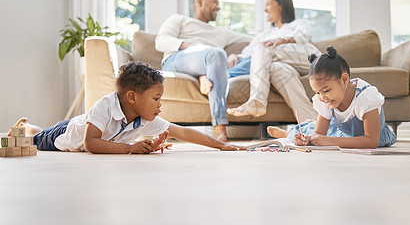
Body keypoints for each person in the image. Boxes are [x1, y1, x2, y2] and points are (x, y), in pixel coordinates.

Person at [9, 61, 245, 153]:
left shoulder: (146, 117)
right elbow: (91, 143)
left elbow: (182, 131)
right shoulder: (105, 105)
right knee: (38, 138)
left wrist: (222, 145)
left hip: (80, 129)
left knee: (40, 134)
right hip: (67, 134)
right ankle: (27, 126)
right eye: (156, 99)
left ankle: (29, 126)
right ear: (132, 97)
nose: (160, 106)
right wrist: (130, 148)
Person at [155, 0, 252, 142]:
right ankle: (219, 125)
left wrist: (238, 56)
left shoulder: (221, 32)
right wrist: (190, 45)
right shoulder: (179, 20)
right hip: (177, 60)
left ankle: (207, 76)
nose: (218, 8)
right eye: (215, 2)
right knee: (216, 54)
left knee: (252, 59)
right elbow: (160, 41)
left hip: (213, 62)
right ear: (199, 2)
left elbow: (254, 40)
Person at [266, 46, 396, 148]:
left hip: (372, 136)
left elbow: (371, 141)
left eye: (326, 90)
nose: (322, 97)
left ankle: (289, 134)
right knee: (314, 129)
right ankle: (290, 135)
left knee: (329, 134)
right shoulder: (326, 99)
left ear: (345, 80)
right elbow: (319, 133)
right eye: (317, 92)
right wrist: (307, 140)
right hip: (343, 133)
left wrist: (329, 141)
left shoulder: (365, 97)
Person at [226, 0, 321, 120]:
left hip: (310, 60)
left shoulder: (298, 24)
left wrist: (283, 39)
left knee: (263, 48)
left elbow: (305, 35)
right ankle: (312, 123)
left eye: (268, 4)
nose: (265, 9)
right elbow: (249, 53)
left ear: (281, 6)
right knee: (276, 68)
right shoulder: (265, 34)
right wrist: (234, 56)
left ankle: (257, 101)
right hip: (284, 64)